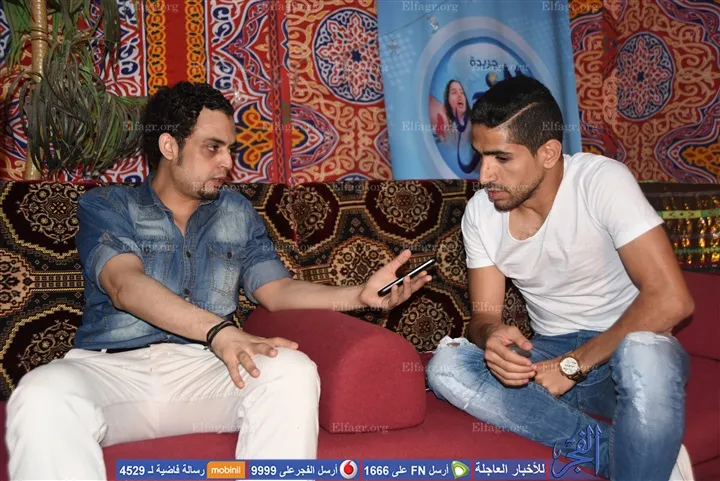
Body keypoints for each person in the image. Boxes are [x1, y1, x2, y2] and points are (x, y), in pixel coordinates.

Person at [5, 81, 432, 480]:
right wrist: (219, 331)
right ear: (169, 146)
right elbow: (124, 285)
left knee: (292, 372)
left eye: (230, 149)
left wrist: (358, 295)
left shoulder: (236, 212)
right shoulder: (109, 204)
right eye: (213, 148)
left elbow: (277, 290)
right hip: (114, 369)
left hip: (207, 369)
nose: (228, 163)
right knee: (42, 394)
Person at [426, 75, 695, 481]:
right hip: (548, 355)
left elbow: (672, 300)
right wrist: (492, 335)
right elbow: (482, 317)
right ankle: (637, 460)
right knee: (446, 366)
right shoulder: (481, 213)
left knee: (646, 355)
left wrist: (573, 365)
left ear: (549, 153)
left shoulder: (600, 181)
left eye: (501, 158)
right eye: (481, 156)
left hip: (623, 348)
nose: (484, 176)